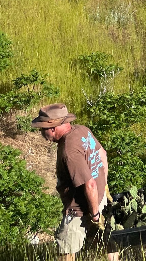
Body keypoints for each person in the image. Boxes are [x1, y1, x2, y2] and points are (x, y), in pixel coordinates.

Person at [32, 104, 119, 261]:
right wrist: (104, 186)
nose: (41, 133)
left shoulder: (68, 150)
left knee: (65, 250)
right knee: (107, 241)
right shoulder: (82, 130)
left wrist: (94, 215)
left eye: (42, 128)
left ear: (52, 128)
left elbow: (89, 184)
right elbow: (102, 154)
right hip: (99, 200)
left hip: (79, 210)